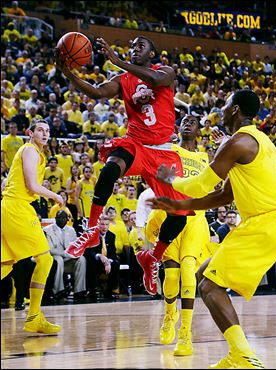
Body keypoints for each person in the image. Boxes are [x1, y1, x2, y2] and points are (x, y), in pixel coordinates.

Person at [148, 89, 276, 369]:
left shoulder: (238, 142)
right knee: (204, 275)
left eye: (226, 105)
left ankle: (245, 356)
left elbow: (201, 184)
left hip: (267, 221)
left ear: (235, 110)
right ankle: (236, 353)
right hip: (269, 220)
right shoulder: (259, 141)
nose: (222, 109)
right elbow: (222, 196)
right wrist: (180, 205)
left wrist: (172, 181)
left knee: (209, 285)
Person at [56, 36, 192, 295]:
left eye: (140, 46)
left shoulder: (165, 71)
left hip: (162, 152)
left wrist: (118, 61)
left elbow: (156, 81)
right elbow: (97, 92)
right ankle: (93, 228)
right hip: (136, 144)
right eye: (131, 46)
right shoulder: (122, 80)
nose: (134, 49)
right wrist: (69, 74)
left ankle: (152, 257)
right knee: (110, 167)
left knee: (179, 216)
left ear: (152, 53)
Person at [145, 114, 211, 356]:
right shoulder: (169, 149)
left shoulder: (206, 157)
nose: (188, 123)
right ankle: (169, 314)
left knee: (188, 272)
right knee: (171, 276)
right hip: (170, 215)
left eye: (193, 121)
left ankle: (186, 333)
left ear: (199, 130)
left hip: (195, 217)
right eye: (184, 120)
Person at [1, 118, 63, 334]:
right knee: (45, 259)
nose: (45, 134)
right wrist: (56, 195)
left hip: (11, 207)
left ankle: (34, 316)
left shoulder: (35, 153)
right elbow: (32, 185)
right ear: (30, 132)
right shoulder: (29, 150)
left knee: (6, 264)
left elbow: (6, 183)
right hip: (17, 208)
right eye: (40, 130)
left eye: (47, 130)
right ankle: (34, 316)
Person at [43, 210, 86, 303]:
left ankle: (79, 291)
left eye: (64, 218)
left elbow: (75, 247)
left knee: (82, 259)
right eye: (60, 217)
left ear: (68, 219)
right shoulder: (47, 230)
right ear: (55, 219)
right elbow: (50, 249)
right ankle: (59, 291)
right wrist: (65, 253)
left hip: (68, 260)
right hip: (55, 259)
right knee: (58, 259)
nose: (62, 219)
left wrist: (74, 253)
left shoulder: (71, 230)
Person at [84, 215, 120, 301]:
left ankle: (110, 290)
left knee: (115, 264)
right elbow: (89, 252)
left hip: (106, 261)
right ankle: (93, 290)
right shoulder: (92, 235)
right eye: (102, 224)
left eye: (107, 225)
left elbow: (112, 253)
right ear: (98, 225)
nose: (105, 227)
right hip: (96, 260)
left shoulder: (111, 236)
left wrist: (108, 262)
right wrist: (99, 256)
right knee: (91, 263)